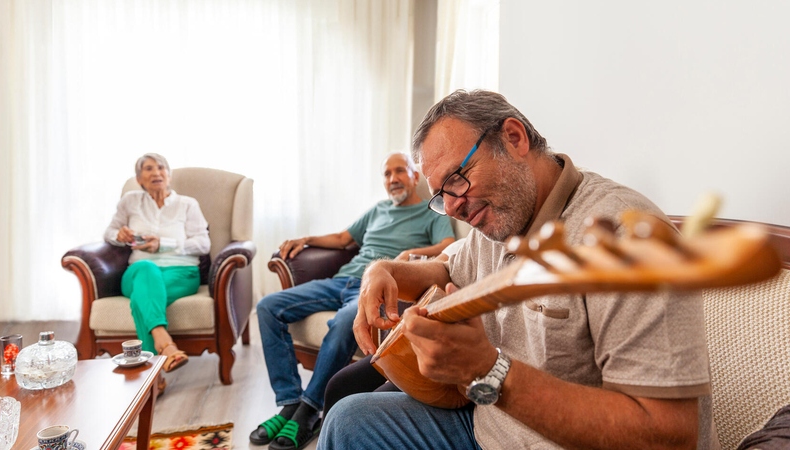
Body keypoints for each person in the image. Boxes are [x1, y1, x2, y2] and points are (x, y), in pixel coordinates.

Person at [319, 90, 718, 450]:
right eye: (441, 196)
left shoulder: (627, 236)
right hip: (487, 426)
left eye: (457, 179)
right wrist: (380, 271)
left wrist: (488, 370)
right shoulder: (498, 219)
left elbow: (668, 434)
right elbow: (445, 271)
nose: (454, 206)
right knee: (345, 420)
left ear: (514, 138)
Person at [252, 152, 456, 450]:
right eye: (387, 174)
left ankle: (309, 410)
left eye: (400, 171)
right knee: (267, 306)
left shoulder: (430, 213)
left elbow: (449, 245)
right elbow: (342, 238)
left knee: (345, 322)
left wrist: (403, 259)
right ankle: (289, 402)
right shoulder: (377, 210)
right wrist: (305, 239)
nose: (393, 179)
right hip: (340, 281)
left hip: (370, 290)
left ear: (414, 176)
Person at [321, 238, 464, 420]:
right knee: (338, 386)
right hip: (416, 347)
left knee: (361, 410)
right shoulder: (469, 244)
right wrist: (379, 269)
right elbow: (438, 268)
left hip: (450, 359)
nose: (452, 211)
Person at [104, 153, 210, 382]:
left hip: (180, 273)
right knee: (146, 269)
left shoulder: (187, 204)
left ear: (169, 176)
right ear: (139, 179)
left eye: (161, 168)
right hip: (138, 272)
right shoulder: (129, 201)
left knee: (140, 299)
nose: (156, 173)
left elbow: (203, 244)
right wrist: (119, 235)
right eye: (149, 169)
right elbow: (110, 233)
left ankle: (153, 378)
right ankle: (165, 345)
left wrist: (163, 244)